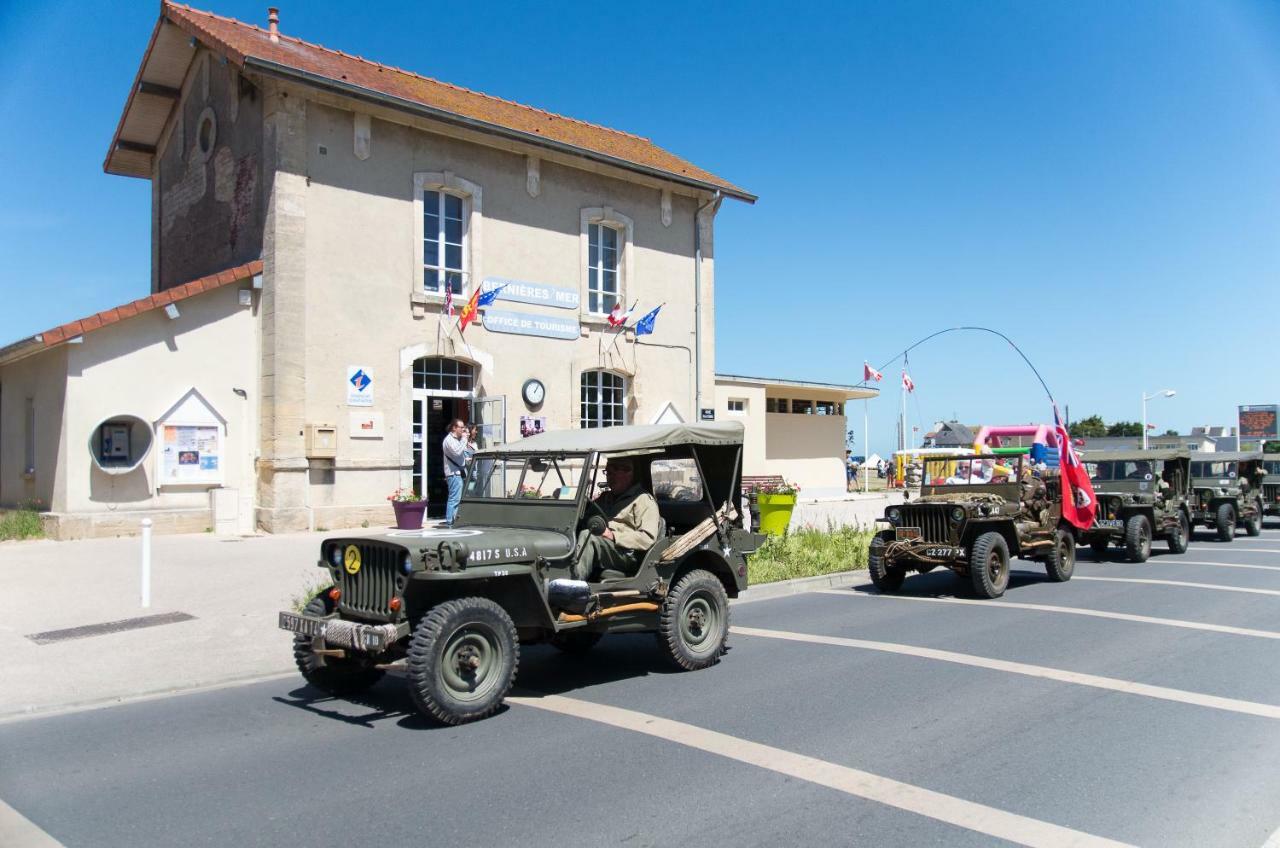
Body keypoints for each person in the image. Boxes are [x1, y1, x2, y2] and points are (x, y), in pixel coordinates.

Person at [574, 457, 660, 581]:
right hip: (606, 547)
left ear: (628, 473)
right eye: (607, 472)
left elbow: (647, 538)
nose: (609, 477)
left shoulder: (644, 500)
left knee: (588, 536)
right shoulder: (605, 498)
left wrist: (614, 536)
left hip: (627, 554)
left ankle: (575, 585)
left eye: (613, 473)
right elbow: (586, 519)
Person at [442, 418, 468, 525]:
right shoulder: (449, 440)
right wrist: (464, 440)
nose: (463, 429)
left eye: (463, 427)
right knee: (454, 499)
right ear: (454, 428)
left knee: (457, 499)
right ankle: (449, 521)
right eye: (461, 427)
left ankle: (453, 519)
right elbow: (457, 452)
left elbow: (459, 454)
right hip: (453, 473)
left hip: (458, 472)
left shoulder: (456, 439)